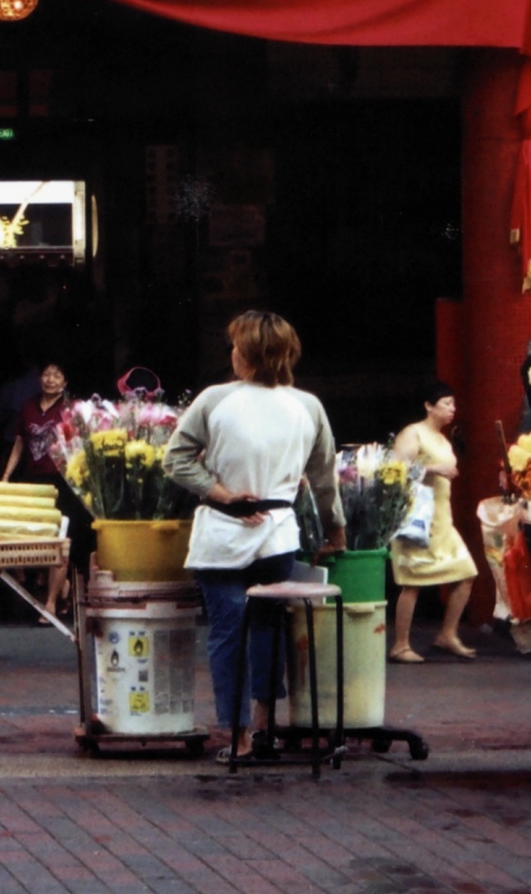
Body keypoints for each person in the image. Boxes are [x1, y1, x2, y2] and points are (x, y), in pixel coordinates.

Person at [164, 310, 344, 763]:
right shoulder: (308, 406)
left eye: (235, 346)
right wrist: (335, 528)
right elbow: (324, 479)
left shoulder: (214, 400)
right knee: (268, 627)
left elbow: (176, 460)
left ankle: (239, 736)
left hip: (222, 534)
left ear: (246, 354)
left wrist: (221, 492)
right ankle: (264, 725)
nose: (232, 352)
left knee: (228, 632)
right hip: (278, 535)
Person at [389, 379, 480, 662]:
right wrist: (433, 468)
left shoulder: (442, 438)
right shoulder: (413, 433)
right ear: (429, 406)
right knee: (412, 581)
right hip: (419, 517)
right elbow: (393, 471)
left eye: (453, 403)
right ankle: (400, 645)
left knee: (466, 573)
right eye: (446, 403)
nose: (453, 409)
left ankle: (447, 634)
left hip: (442, 518)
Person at [1, 362, 91, 619]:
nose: (50, 379)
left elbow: (81, 446)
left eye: (56, 375)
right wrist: (7, 474)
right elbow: (20, 442)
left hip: (63, 483)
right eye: (46, 374)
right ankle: (60, 589)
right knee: (39, 541)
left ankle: (50, 603)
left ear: (65, 382)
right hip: (35, 482)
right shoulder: (28, 407)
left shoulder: (71, 409)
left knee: (60, 541)